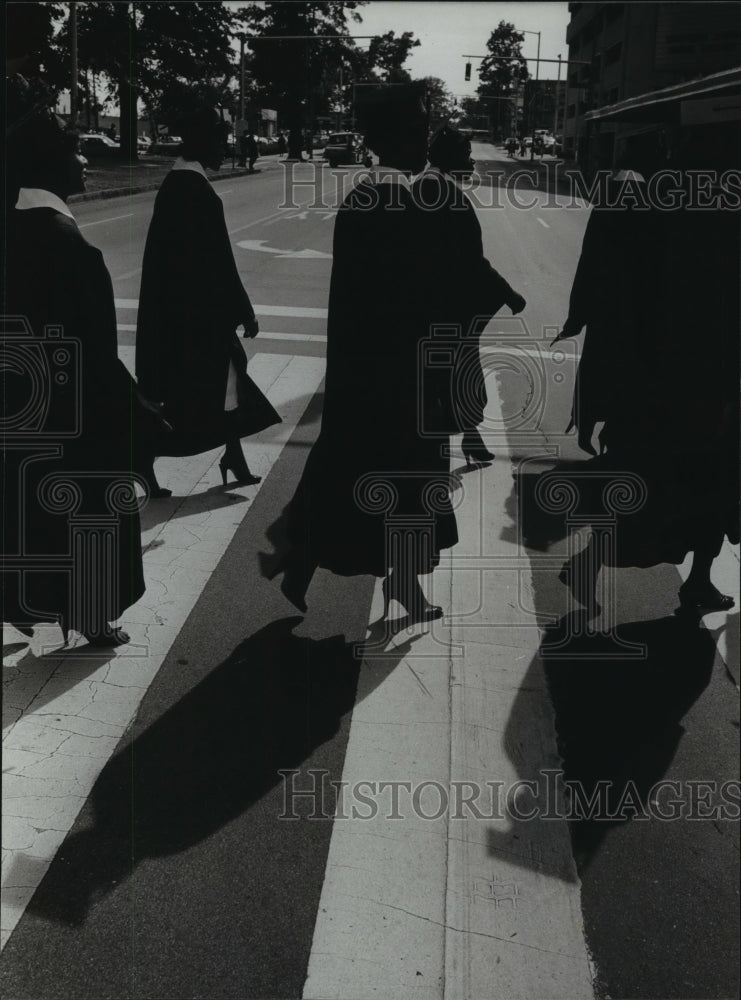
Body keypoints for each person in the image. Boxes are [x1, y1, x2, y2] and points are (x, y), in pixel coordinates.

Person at [266, 83, 457, 623]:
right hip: (391, 377)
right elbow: (400, 300)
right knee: (394, 483)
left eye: (426, 128)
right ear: (386, 137)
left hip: (387, 373)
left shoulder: (388, 197)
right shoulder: (386, 202)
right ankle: (311, 556)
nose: (426, 138)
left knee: (380, 481)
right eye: (416, 129)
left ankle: (392, 581)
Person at [3, 81, 163, 645]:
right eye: (75, 150)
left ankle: (21, 600)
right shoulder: (71, 247)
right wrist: (134, 407)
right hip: (73, 413)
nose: (86, 161)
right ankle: (90, 615)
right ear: (49, 165)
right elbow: (96, 354)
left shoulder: (14, 230)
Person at [557, 147, 739, 613]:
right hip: (701, 384)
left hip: (650, 384)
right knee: (706, 488)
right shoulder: (710, 220)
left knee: (656, 482)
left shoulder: (655, 211)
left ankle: (609, 565)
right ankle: (693, 581)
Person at [136, 106, 280, 493]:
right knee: (206, 386)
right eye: (220, 140)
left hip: (186, 312)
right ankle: (143, 460)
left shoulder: (180, 184)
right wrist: (243, 309)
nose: (226, 148)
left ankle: (232, 455)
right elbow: (218, 259)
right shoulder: (192, 189)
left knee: (215, 384)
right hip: (194, 316)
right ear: (201, 142)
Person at [413, 125, 526, 464]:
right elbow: (468, 259)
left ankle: (469, 440)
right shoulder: (440, 192)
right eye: (466, 155)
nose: (472, 161)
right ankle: (439, 450)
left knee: (451, 378)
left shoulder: (427, 186)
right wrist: (507, 293)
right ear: (449, 158)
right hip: (443, 308)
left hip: (435, 306)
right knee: (453, 379)